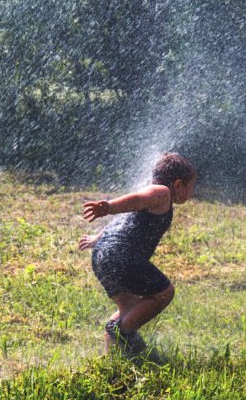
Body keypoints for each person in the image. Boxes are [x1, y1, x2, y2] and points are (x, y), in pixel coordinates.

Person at [78, 152, 197, 357]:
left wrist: (98, 239)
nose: (191, 192)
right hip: (123, 255)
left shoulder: (157, 196)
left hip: (103, 256)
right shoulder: (161, 192)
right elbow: (136, 199)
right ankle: (123, 332)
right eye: (190, 186)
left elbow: (125, 221)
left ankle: (116, 357)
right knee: (164, 293)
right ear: (178, 184)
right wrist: (108, 207)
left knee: (129, 307)